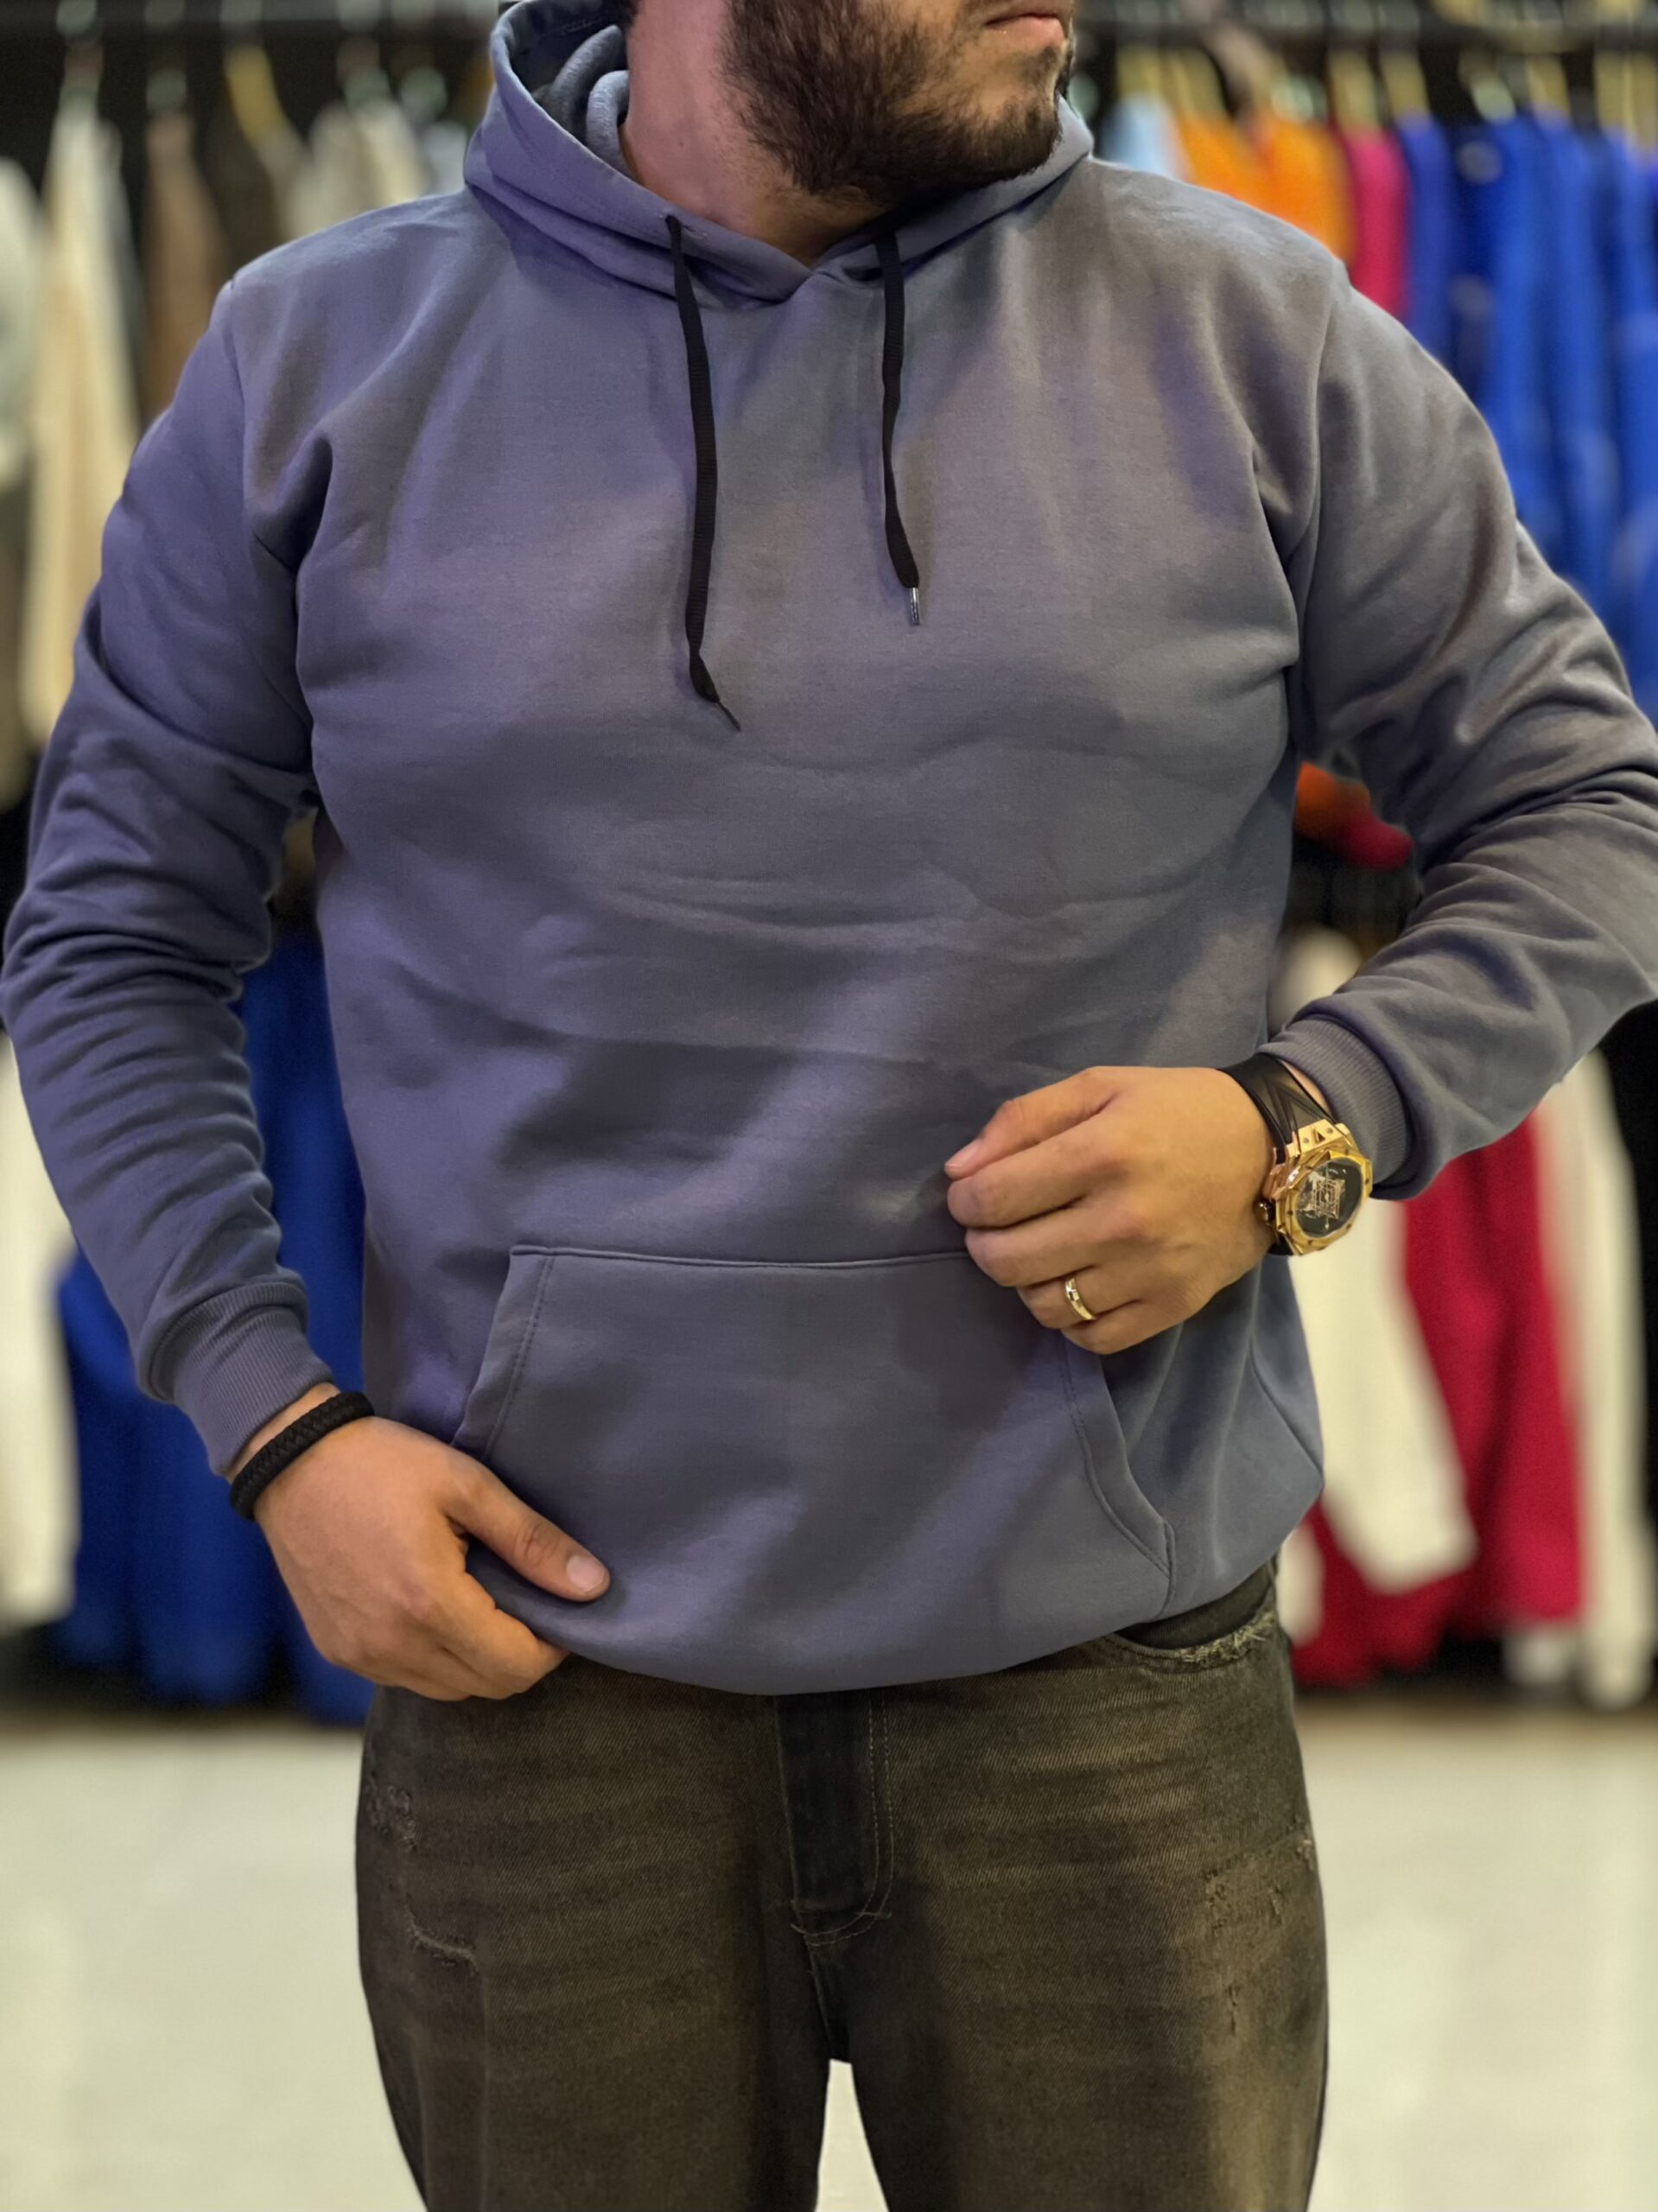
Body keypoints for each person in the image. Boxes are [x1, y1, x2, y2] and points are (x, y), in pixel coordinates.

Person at [5, 0, 1658, 2204]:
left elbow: (1591, 810)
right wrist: (274, 1426)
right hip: (547, 1695)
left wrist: (1300, 1123)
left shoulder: (1252, 333)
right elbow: (110, 931)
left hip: (1108, 1692)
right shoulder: (317, 362)